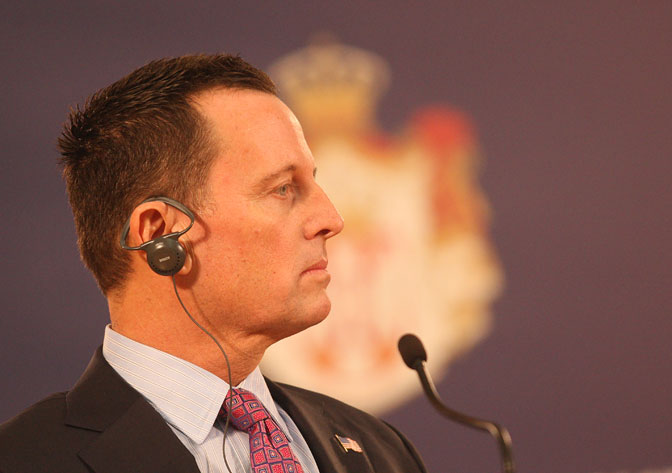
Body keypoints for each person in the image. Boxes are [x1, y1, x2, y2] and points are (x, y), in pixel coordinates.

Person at [0, 54, 427, 473]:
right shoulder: (23, 460)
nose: (331, 220)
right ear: (159, 234)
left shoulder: (382, 451)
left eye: (312, 182)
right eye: (282, 188)